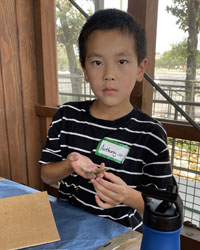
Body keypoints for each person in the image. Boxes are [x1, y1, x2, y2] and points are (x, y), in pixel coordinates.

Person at [39, 8, 173, 232]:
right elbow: (45, 175)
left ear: (140, 69)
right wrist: (69, 165)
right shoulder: (66, 116)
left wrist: (127, 196)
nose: (109, 74)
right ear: (84, 70)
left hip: (122, 238)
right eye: (97, 63)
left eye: (121, 61)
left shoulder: (150, 133)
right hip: (69, 231)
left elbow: (165, 206)